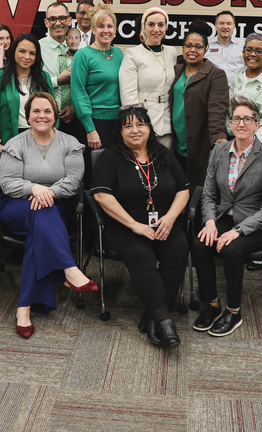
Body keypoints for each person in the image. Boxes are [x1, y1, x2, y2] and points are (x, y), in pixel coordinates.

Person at [0, 92, 95, 338]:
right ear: (28, 116)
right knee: (42, 213)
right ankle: (69, 268)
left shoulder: (71, 143)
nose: (42, 116)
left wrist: (47, 193)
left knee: (38, 229)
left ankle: (24, 308)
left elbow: (74, 182)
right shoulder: (15, 144)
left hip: (57, 206)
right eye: (36, 111)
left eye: (47, 111)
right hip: (17, 207)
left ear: (55, 116)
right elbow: (8, 183)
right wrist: (35, 188)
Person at [91, 105, 190, 348]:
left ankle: (153, 316)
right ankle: (165, 322)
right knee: (142, 255)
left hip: (163, 223)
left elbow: (183, 189)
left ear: (149, 128)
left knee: (178, 250)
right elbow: (102, 196)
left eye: (140, 124)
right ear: (120, 131)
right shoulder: (111, 156)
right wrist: (134, 225)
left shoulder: (163, 154)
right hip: (125, 226)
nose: (135, 130)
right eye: (128, 126)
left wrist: (170, 218)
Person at [192, 96, 262, 337]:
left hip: (256, 224)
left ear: (257, 123)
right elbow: (209, 194)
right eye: (236, 118)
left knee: (232, 250)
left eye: (248, 119)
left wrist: (237, 231)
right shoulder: (219, 151)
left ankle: (234, 311)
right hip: (223, 216)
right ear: (230, 123)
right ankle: (211, 304)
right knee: (200, 245)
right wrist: (210, 221)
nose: (241, 123)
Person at [169, 20, 229, 190]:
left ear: (206, 49)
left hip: (199, 147)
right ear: (183, 48)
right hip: (176, 145)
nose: (192, 50)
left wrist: (218, 137)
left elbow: (217, 110)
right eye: (188, 45)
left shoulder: (215, 75)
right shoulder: (177, 70)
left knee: (197, 195)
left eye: (198, 46)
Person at [0, 33, 53, 157]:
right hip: (8, 143)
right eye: (22, 51)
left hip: (40, 141)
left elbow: (53, 112)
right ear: (13, 51)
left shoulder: (44, 78)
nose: (27, 57)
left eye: (32, 53)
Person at [119, 7, 177, 148]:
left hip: (168, 123)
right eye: (151, 24)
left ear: (166, 27)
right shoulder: (132, 54)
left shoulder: (172, 52)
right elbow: (128, 96)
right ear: (143, 27)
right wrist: (137, 125)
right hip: (144, 122)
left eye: (160, 25)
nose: (156, 29)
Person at [71, 5, 123, 149]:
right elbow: (78, 92)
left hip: (118, 122)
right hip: (94, 123)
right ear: (93, 29)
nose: (106, 30)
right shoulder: (83, 55)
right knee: (96, 168)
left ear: (115, 30)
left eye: (110, 26)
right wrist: (90, 128)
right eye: (101, 26)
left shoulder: (119, 54)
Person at [228, 32, 262, 149]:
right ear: (243, 52)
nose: (252, 54)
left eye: (258, 51)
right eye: (249, 50)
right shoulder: (239, 75)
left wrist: (249, 146)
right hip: (235, 141)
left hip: (260, 146)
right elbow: (229, 111)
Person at [38, 2, 73, 123]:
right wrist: (58, 80)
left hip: (78, 117)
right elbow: (32, 82)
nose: (58, 23)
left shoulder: (83, 48)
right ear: (46, 22)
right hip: (46, 118)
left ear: (69, 20)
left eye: (62, 18)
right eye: (52, 19)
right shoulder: (37, 48)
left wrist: (75, 107)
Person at [204, 10, 244, 83]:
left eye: (229, 24)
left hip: (237, 90)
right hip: (212, 90)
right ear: (215, 26)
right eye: (221, 23)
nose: (225, 27)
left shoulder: (243, 45)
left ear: (234, 26)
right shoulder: (206, 45)